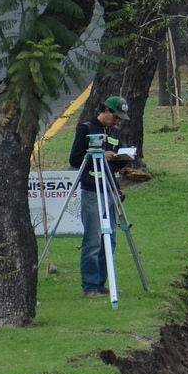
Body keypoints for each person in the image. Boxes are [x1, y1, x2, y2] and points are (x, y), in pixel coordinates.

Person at [67, 97, 127, 296]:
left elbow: (115, 160)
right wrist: (100, 154)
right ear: (107, 110)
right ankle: (90, 286)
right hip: (93, 191)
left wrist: (121, 158)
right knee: (93, 241)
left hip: (111, 189)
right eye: (116, 117)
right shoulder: (86, 128)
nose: (117, 122)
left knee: (110, 240)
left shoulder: (115, 132)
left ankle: (101, 282)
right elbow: (75, 159)